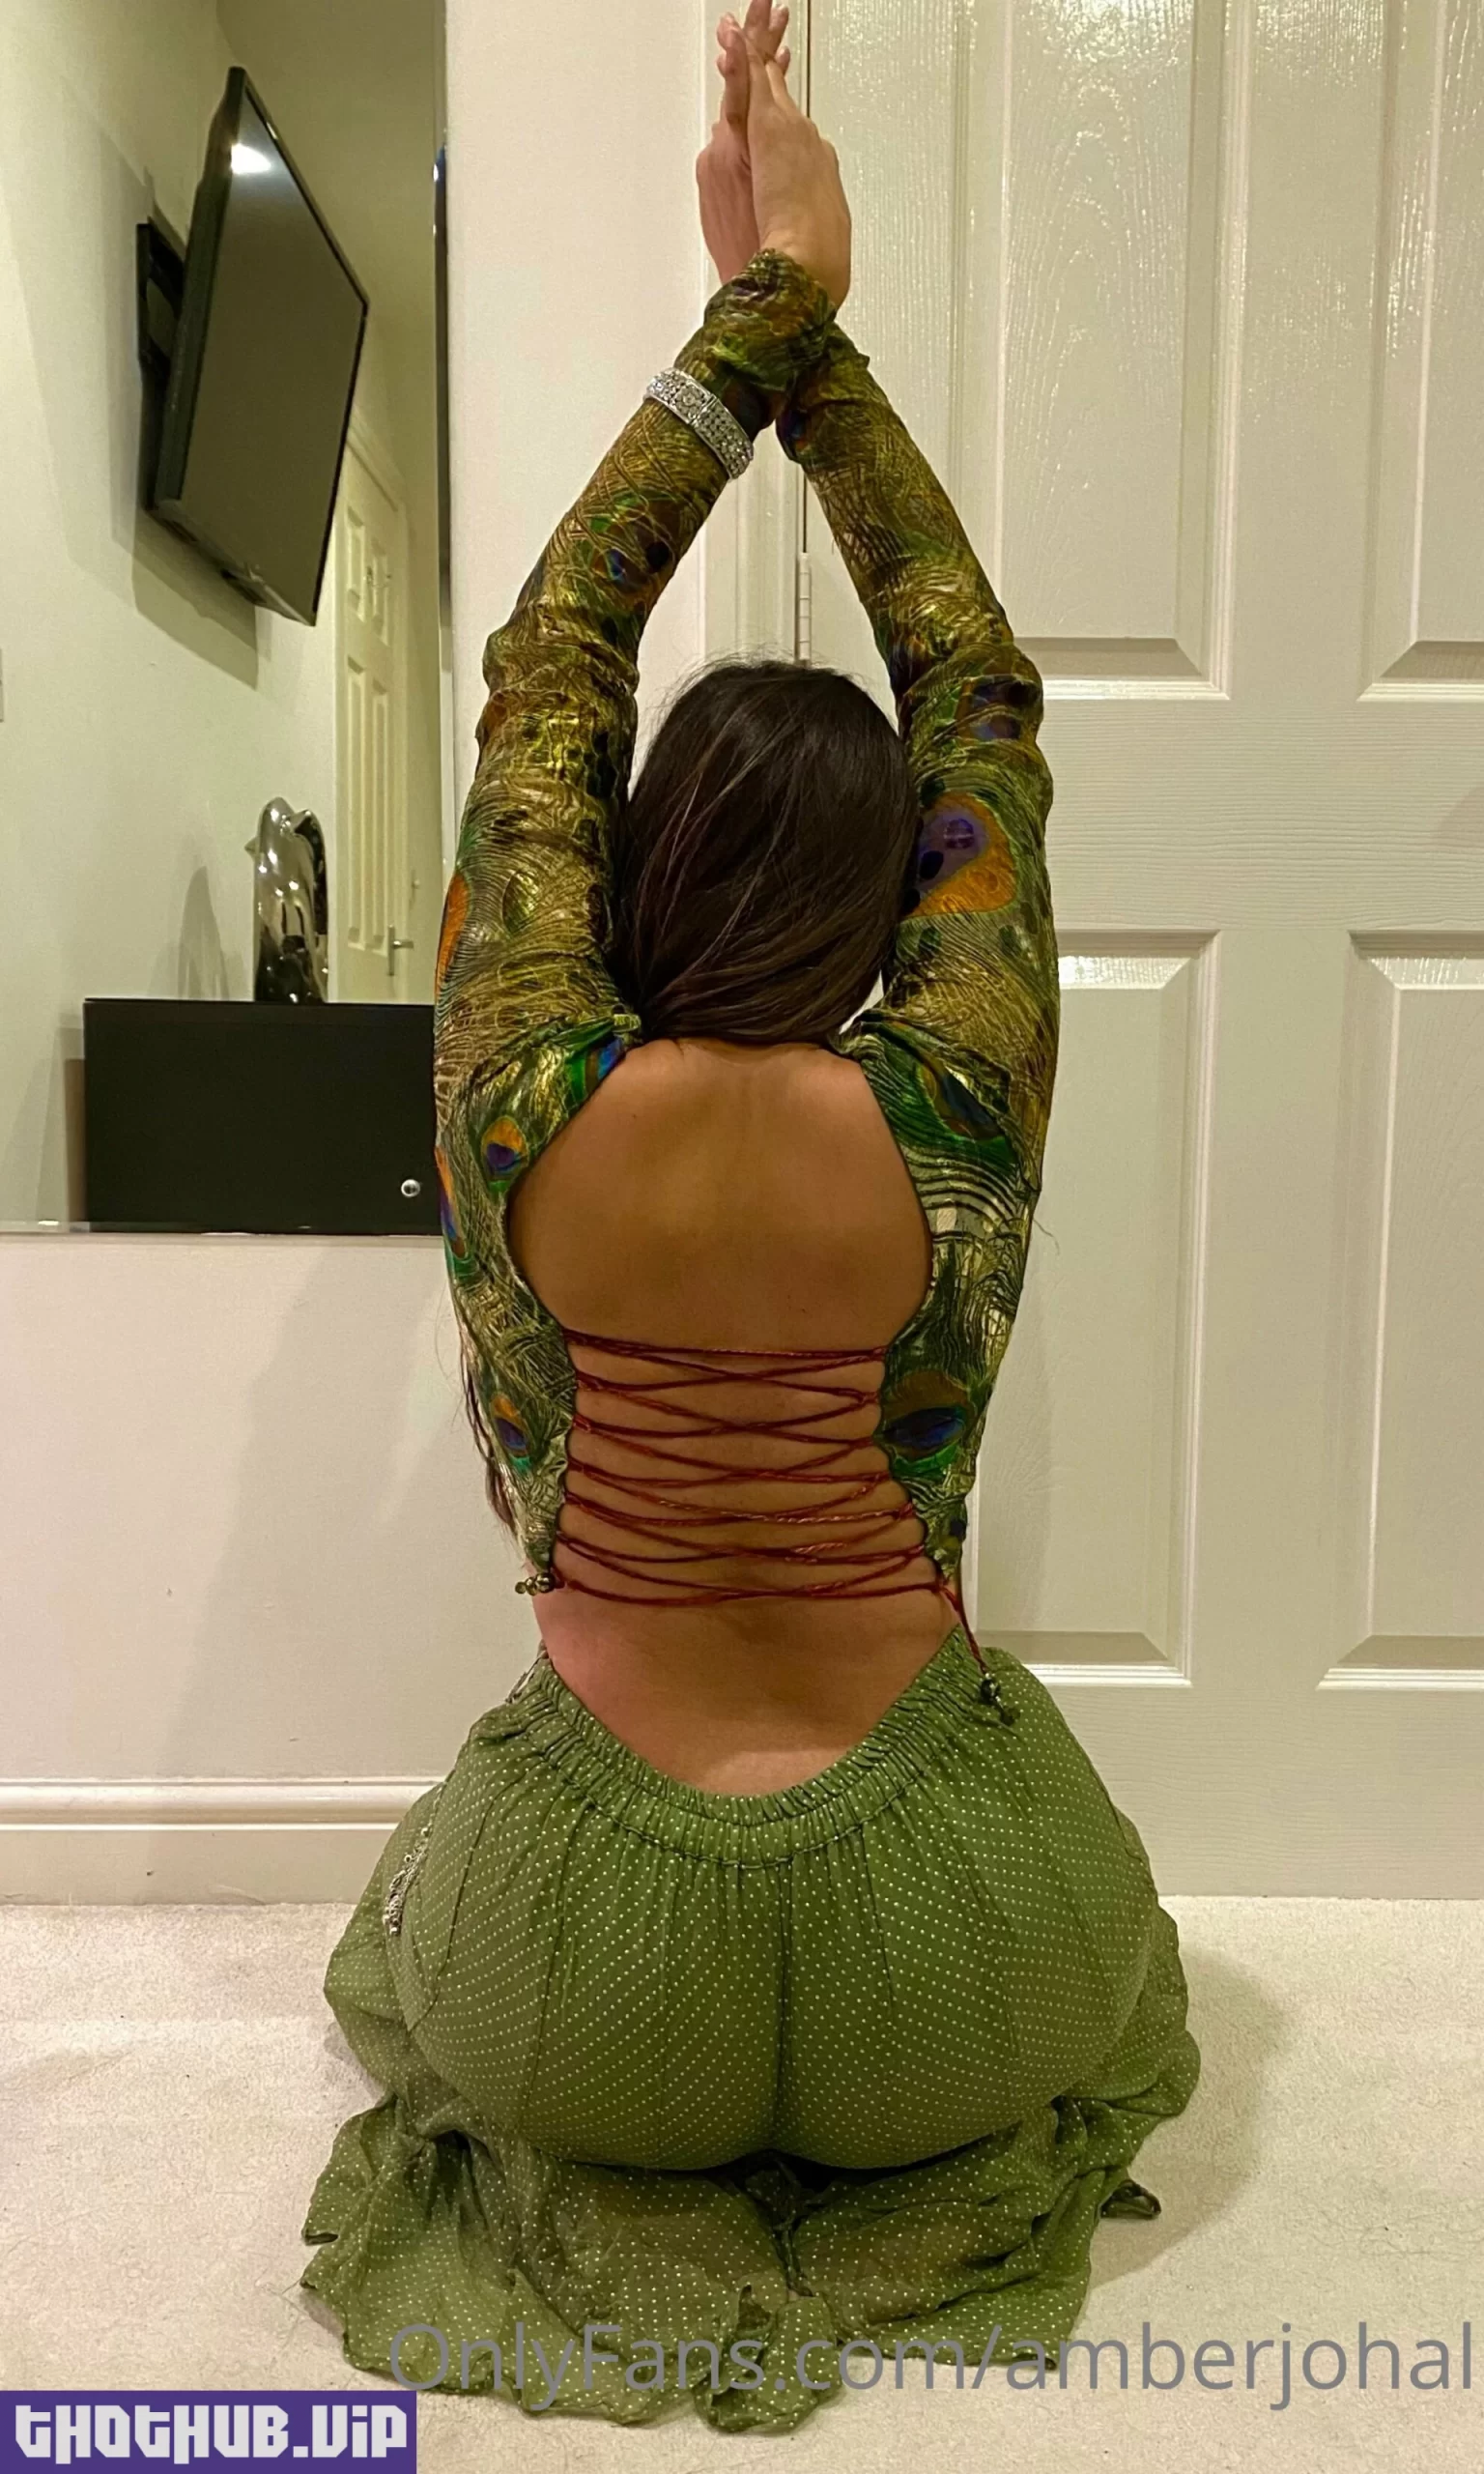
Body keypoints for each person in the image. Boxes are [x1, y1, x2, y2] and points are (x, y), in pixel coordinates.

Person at [300, 4, 1200, 2431]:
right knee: (1100, 1976)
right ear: (900, 891)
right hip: (953, 1945)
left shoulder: (521, 1087)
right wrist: (822, 327)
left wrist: (749, 320)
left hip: (592, 1975)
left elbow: (551, 663)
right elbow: (979, 694)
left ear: (632, 862)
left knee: (424, 1973)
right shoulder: (954, 1096)